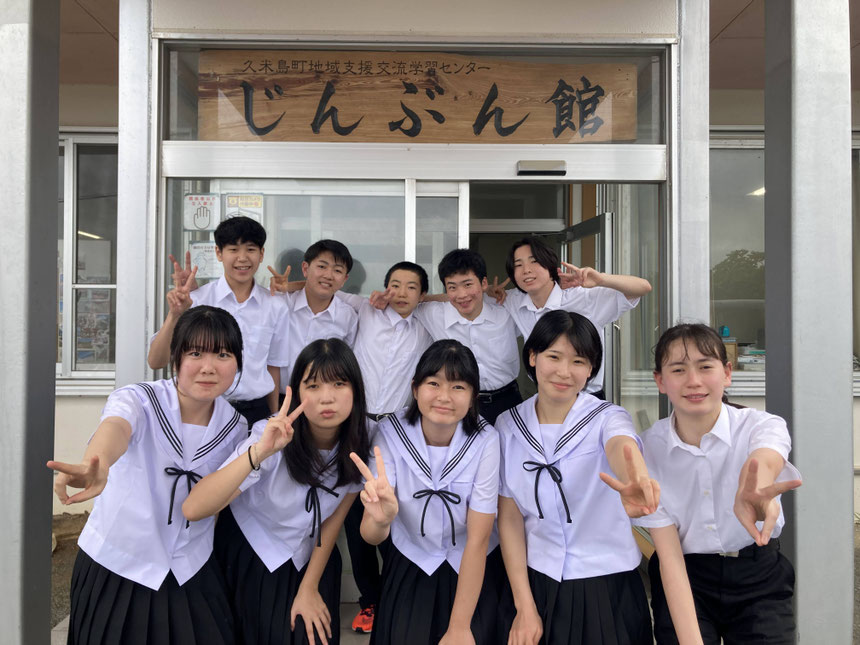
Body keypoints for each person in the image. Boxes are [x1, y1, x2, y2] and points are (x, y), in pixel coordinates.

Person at [48, 306, 247, 644]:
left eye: (223, 354)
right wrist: (97, 463)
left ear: (238, 362)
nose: (208, 367)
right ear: (176, 358)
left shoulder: (236, 428)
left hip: (190, 566)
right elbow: (116, 427)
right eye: (195, 353)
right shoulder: (141, 399)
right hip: (119, 563)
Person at [183, 338, 371, 645]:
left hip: (313, 555)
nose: (327, 398)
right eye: (313, 386)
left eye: (339, 383)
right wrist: (261, 452)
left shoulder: (363, 439)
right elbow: (194, 508)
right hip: (253, 551)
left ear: (356, 390)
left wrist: (309, 587)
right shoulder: (271, 434)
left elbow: (334, 518)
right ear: (296, 393)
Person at [496, 310, 659, 645]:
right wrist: (524, 606)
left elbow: (621, 445)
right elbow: (509, 517)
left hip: (607, 584)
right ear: (533, 357)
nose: (564, 371)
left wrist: (634, 476)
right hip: (536, 582)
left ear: (591, 370)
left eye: (579, 361)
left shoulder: (607, 417)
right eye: (554, 356)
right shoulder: (508, 425)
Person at [632, 323, 802, 645]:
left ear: (726, 373)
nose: (693, 381)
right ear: (660, 381)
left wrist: (756, 488)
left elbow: (765, 458)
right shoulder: (648, 449)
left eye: (705, 367)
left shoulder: (760, 425)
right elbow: (669, 558)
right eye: (678, 369)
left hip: (758, 573)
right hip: (686, 572)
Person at [350, 339, 502, 645]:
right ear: (415, 388)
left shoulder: (486, 440)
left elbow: (478, 538)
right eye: (434, 383)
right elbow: (371, 535)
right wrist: (381, 520)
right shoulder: (389, 434)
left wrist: (459, 627)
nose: (444, 396)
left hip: (472, 564)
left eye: (458, 387)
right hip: (412, 559)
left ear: (473, 397)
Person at [149, 216, 290, 427]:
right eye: (233, 249)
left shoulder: (276, 306)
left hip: (256, 412)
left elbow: (273, 366)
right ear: (218, 253)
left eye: (250, 250)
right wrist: (175, 314)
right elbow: (156, 361)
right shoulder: (196, 300)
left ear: (261, 254)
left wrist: (274, 416)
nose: (242, 258)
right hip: (202, 409)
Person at [491, 236, 651, 399]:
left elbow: (643, 287)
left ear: (550, 266)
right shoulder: (514, 300)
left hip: (586, 397)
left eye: (534, 261)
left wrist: (601, 279)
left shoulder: (583, 298)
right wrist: (490, 291)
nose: (526, 270)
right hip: (547, 396)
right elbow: (478, 299)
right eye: (518, 265)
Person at [410, 249, 522, 424]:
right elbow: (408, 301)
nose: (462, 295)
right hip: (460, 404)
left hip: (508, 400)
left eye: (468, 284)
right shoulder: (434, 314)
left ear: (483, 283)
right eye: (452, 287)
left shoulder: (506, 311)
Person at [269, 239, 359, 403]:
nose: (328, 275)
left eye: (337, 270)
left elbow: (345, 366)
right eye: (322, 266)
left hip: (320, 402)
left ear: (345, 279)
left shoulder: (348, 317)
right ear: (305, 269)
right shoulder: (281, 304)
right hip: (277, 398)